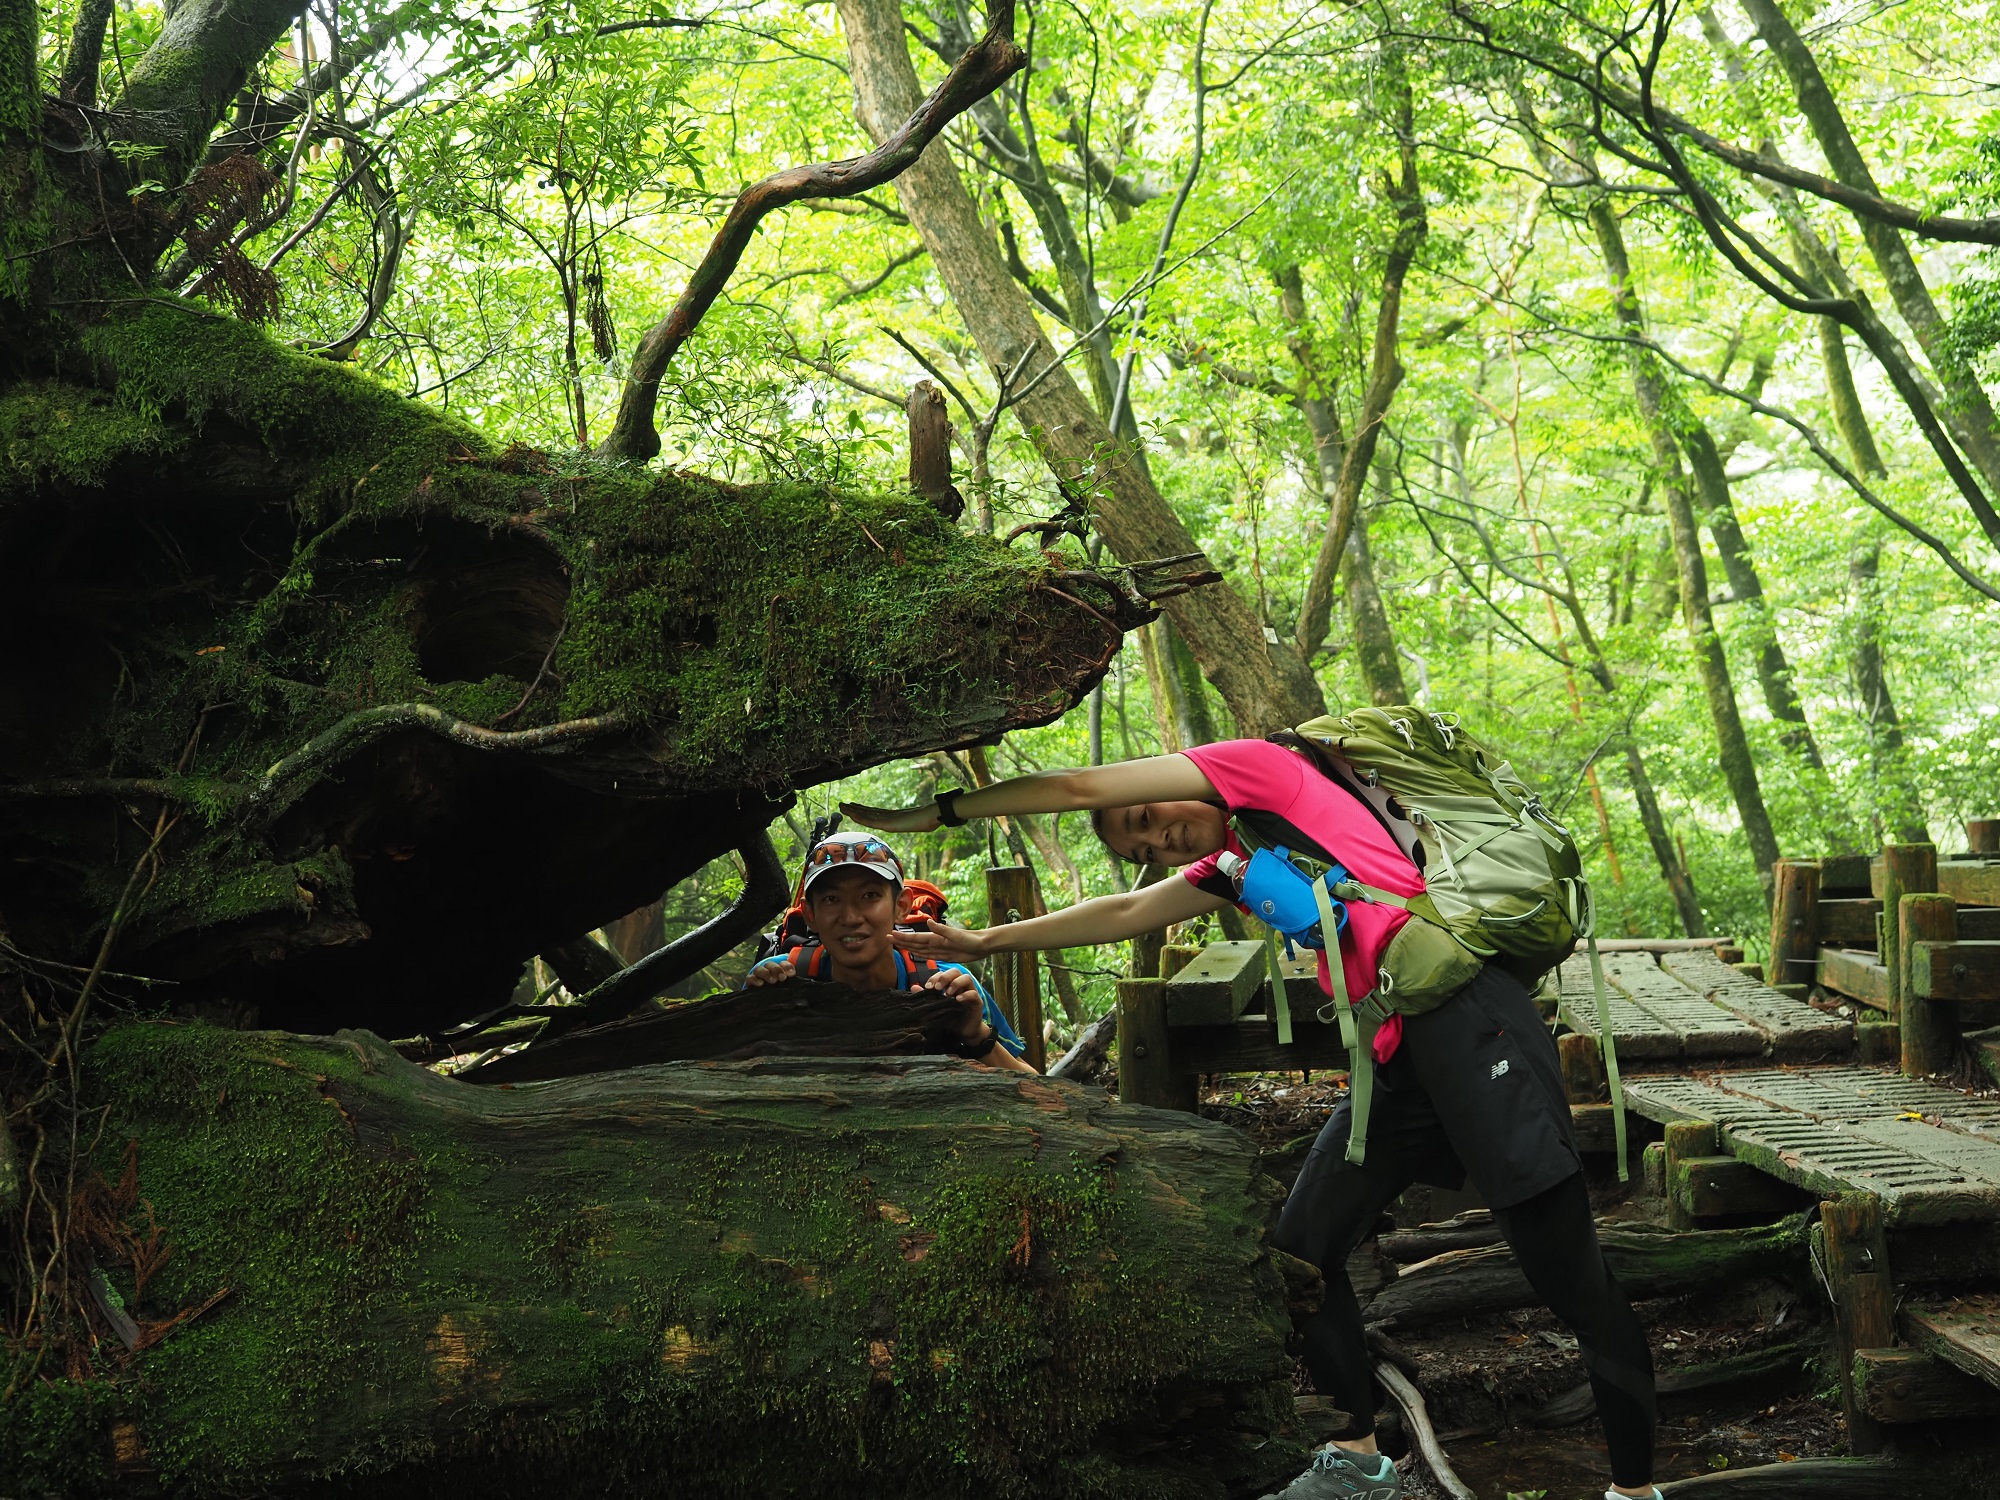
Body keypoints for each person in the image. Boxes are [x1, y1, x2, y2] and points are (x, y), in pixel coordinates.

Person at [845, 742, 1659, 1500]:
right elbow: (1125, 911)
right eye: (1143, 845)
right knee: (1301, 1251)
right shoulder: (1240, 862)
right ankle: (1358, 1458)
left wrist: (942, 812)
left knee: (1566, 1275)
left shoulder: (1267, 769)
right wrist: (984, 940)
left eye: (1146, 818)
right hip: (1399, 1055)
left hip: (1475, 1023)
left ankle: (1633, 1485)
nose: (1157, 837)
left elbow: (1078, 786)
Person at [744, 831, 1038, 1074]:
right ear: (810, 914)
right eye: (832, 899)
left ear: (901, 906)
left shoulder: (948, 984)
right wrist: (757, 1010)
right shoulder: (781, 980)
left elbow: (1037, 1087)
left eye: (869, 896)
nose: (850, 917)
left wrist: (975, 1034)